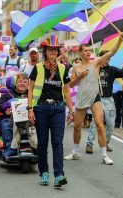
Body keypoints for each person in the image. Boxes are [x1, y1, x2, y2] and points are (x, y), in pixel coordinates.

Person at [64, 32, 123, 165]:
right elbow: (72, 84)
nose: (88, 52)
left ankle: (104, 155)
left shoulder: (96, 62)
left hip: (95, 96)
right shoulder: (76, 67)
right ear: (80, 53)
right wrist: (80, 76)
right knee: (77, 125)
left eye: (89, 50)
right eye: (85, 51)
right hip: (82, 97)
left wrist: (120, 40)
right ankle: (75, 151)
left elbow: (112, 53)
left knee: (100, 124)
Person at [28, 35, 73, 187]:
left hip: (59, 109)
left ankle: (59, 175)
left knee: (58, 143)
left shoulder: (62, 68)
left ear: (58, 51)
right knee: (42, 143)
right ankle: (44, 173)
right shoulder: (38, 68)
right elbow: (31, 88)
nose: (53, 52)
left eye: (55, 50)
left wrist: (71, 110)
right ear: (45, 51)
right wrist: (30, 109)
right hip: (41, 108)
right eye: (50, 49)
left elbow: (66, 91)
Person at [85, 50, 123, 154]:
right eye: (105, 58)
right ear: (100, 58)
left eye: (109, 58)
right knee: (95, 122)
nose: (107, 60)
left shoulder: (112, 69)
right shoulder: (94, 68)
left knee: (111, 123)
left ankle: (105, 143)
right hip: (97, 99)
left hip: (109, 100)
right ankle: (89, 144)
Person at [0, 73, 30, 158]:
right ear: (16, 83)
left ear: (28, 85)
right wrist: (6, 106)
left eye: (25, 82)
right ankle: (9, 149)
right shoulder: (8, 94)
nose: (22, 83)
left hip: (27, 119)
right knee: (6, 127)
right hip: (8, 118)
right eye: (20, 81)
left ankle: (34, 148)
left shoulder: (31, 95)